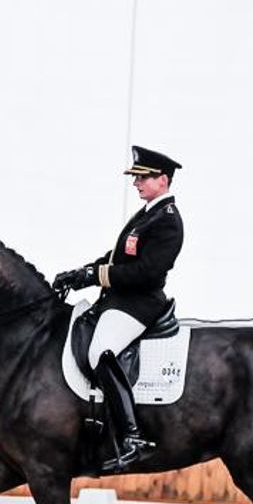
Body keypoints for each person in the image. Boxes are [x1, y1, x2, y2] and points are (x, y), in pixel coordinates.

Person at [52, 145, 184, 472]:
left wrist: (95, 275)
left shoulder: (167, 221)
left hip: (140, 303)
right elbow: (118, 259)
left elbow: (147, 273)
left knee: (101, 351)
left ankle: (132, 436)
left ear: (163, 180)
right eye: (136, 178)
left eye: (143, 178)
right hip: (119, 300)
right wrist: (81, 274)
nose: (136, 184)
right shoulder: (146, 214)